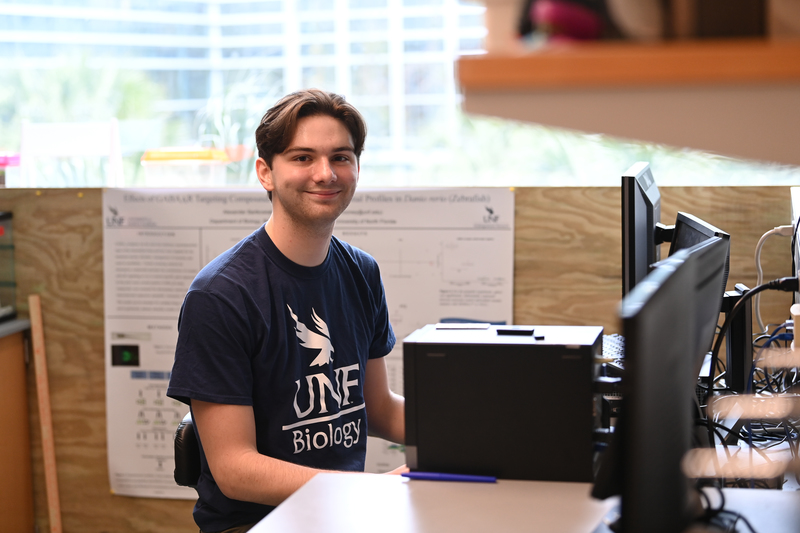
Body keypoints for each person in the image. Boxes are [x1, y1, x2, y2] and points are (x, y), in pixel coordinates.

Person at [167, 89, 405, 533]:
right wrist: (367, 490)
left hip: (345, 515)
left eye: (341, 157)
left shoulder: (362, 273)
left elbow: (380, 409)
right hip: (257, 525)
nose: (325, 173)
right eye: (302, 158)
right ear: (266, 173)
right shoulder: (221, 295)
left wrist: (481, 437)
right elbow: (235, 468)